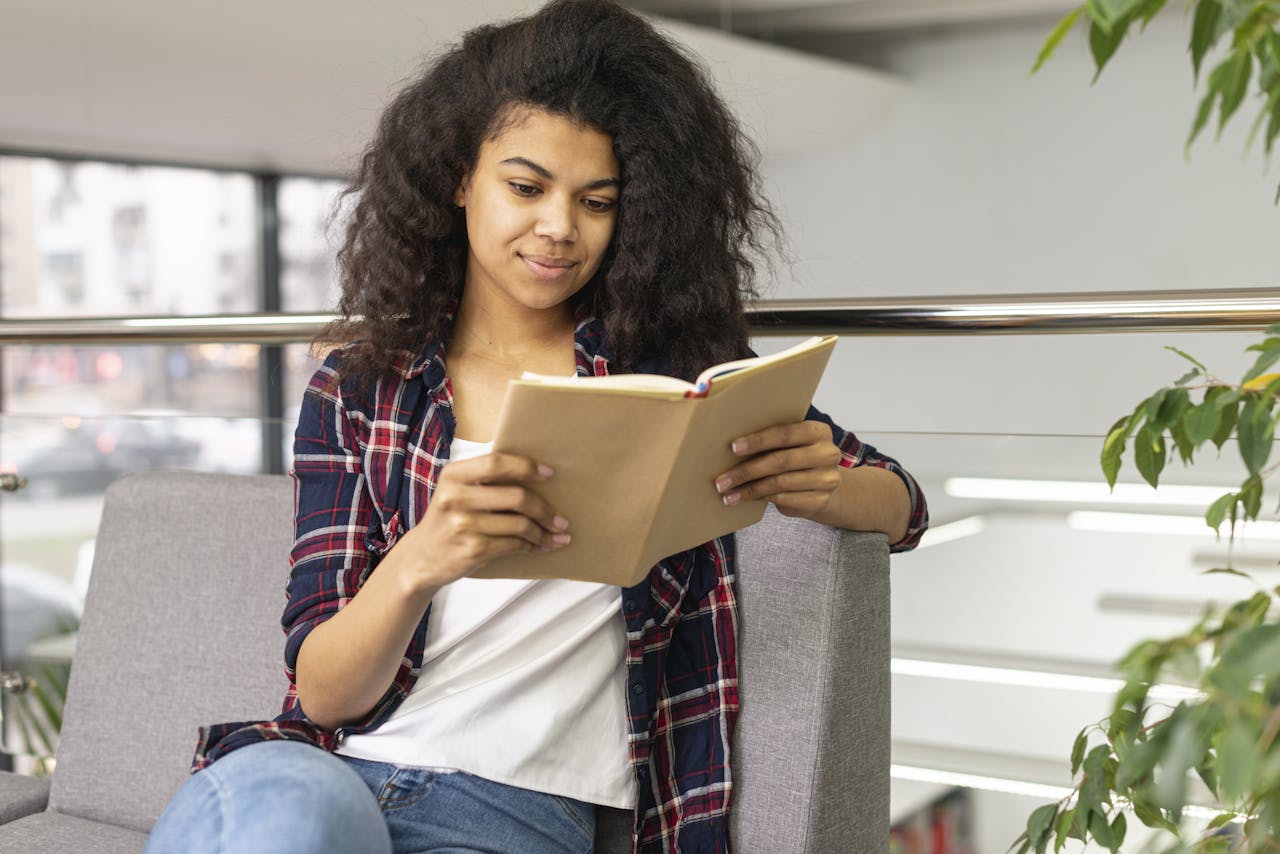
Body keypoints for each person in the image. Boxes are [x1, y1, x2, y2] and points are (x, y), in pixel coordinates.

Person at [145, 2, 928, 853]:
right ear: (458, 178)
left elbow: (903, 507)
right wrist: (421, 557)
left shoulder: (669, 377)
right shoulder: (360, 388)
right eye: (526, 187)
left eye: (596, 201)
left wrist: (829, 487)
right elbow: (325, 694)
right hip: (317, 778)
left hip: (512, 814)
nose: (559, 227)